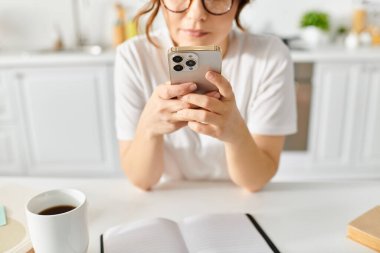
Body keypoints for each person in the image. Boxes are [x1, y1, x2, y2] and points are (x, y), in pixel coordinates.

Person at [114, 0, 297, 192]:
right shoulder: (133, 56)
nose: (196, 14)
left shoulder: (270, 56)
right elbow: (142, 180)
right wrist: (149, 128)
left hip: (236, 199)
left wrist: (236, 133)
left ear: (238, 5)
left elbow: (255, 181)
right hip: (172, 195)